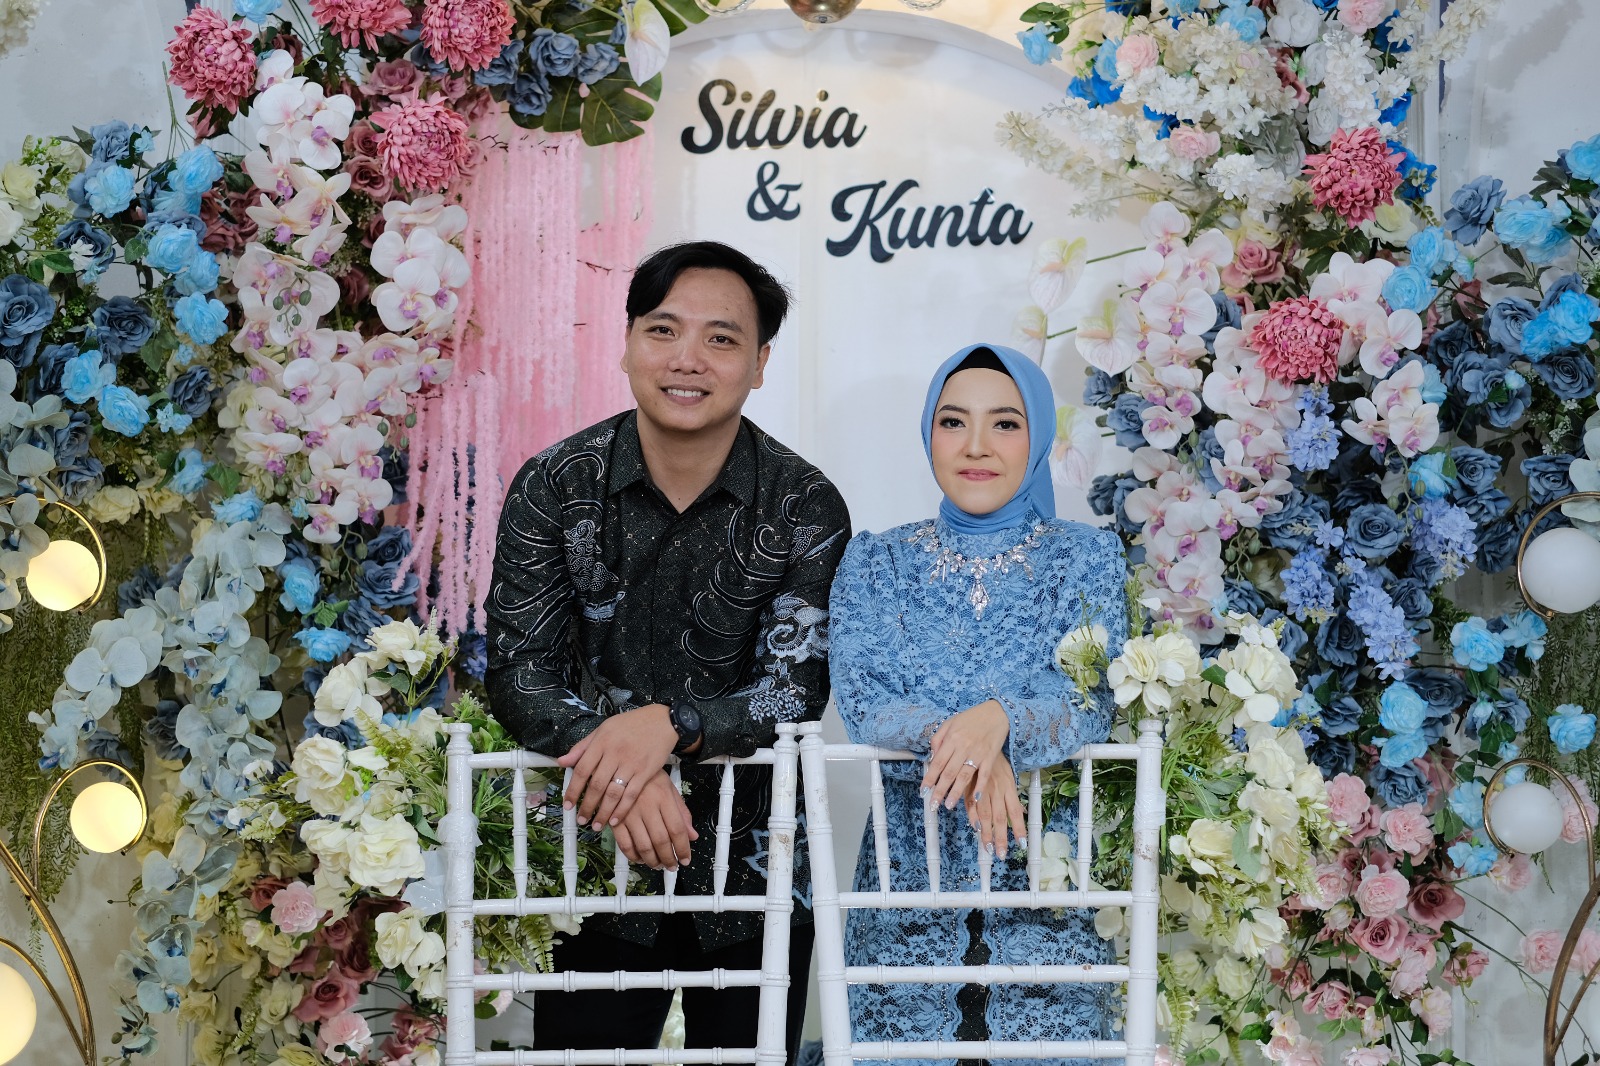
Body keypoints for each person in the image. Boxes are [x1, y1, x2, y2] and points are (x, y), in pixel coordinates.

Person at [484, 240, 851, 1061]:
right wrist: (626, 770)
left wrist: (669, 726)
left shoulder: (804, 502)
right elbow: (518, 672)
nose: (688, 359)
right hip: (591, 864)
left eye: (721, 338)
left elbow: (795, 687)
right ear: (626, 344)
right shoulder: (555, 484)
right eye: (663, 330)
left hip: (757, 872)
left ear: (760, 363)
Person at [827, 343, 1128, 1066]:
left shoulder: (1087, 558)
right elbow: (864, 697)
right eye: (954, 422)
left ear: (1038, 437)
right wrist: (969, 744)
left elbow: (1090, 698)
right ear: (929, 434)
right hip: (906, 886)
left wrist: (1002, 721)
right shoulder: (878, 561)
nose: (976, 446)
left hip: (1048, 892)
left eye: (1005, 424)